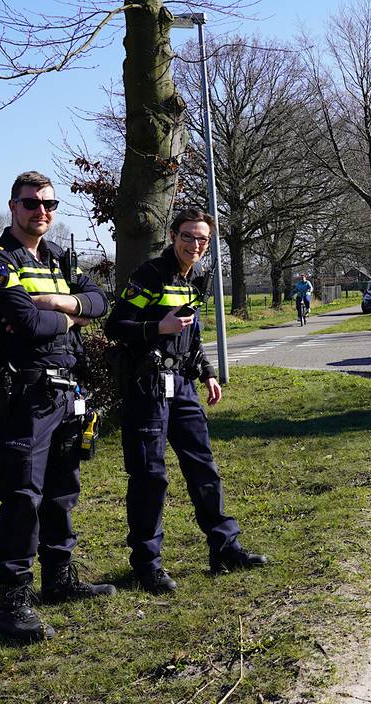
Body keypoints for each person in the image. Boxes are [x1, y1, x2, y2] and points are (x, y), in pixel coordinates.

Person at [0, 170, 115, 642]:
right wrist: (68, 319)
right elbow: (21, 321)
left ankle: (59, 578)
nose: (42, 211)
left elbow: (99, 300)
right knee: (22, 495)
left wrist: (57, 302)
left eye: (49, 204)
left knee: (61, 489)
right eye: (32, 203)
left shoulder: (58, 258)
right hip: (25, 394)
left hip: (65, 391)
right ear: (13, 206)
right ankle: (12, 603)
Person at [104, 207, 266, 595]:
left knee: (203, 466)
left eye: (203, 240)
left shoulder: (194, 279)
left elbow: (190, 337)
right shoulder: (150, 276)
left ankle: (224, 548)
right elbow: (115, 326)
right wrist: (155, 327)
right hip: (147, 388)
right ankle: (147, 565)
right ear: (173, 236)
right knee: (150, 477)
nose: (195, 245)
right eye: (188, 237)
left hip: (183, 385)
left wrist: (208, 372)